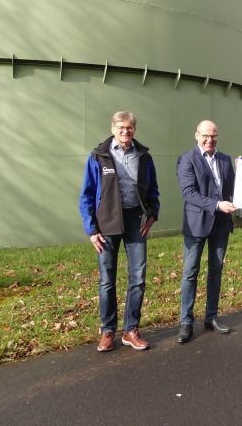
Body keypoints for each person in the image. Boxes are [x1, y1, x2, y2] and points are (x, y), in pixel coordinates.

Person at [79, 111, 160, 352]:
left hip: (136, 220)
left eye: (130, 127)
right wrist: (91, 229)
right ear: (113, 128)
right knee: (107, 280)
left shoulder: (143, 156)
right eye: (121, 127)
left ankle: (131, 330)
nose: (126, 131)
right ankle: (107, 330)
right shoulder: (99, 155)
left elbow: (153, 189)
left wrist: (153, 214)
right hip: (107, 223)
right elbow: (86, 196)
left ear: (135, 129)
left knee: (138, 277)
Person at [175, 120, 237, 344]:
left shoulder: (225, 159)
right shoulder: (187, 159)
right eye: (205, 136)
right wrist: (217, 205)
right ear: (196, 135)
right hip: (196, 224)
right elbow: (188, 192)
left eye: (214, 136)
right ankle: (186, 322)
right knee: (190, 272)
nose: (209, 140)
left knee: (216, 271)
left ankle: (211, 317)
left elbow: (232, 191)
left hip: (220, 224)